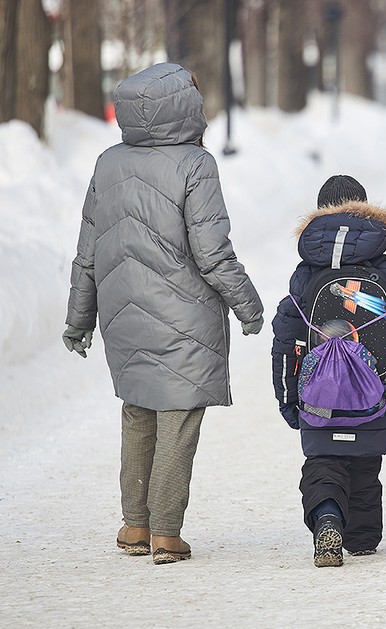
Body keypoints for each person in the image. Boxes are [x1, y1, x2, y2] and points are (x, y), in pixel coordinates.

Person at [63, 62, 264, 565]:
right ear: (184, 108)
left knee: (137, 410)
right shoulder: (196, 164)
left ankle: (135, 525)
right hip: (184, 314)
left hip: (122, 314)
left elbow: (88, 249)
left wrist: (78, 318)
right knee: (177, 416)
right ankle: (167, 533)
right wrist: (247, 303)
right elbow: (212, 252)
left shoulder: (108, 163)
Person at [271, 175, 386, 567]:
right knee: (364, 466)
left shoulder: (306, 272)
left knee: (323, 465)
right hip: (375, 396)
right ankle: (361, 537)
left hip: (318, 398)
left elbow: (285, 343)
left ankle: (327, 517)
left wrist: (289, 398)